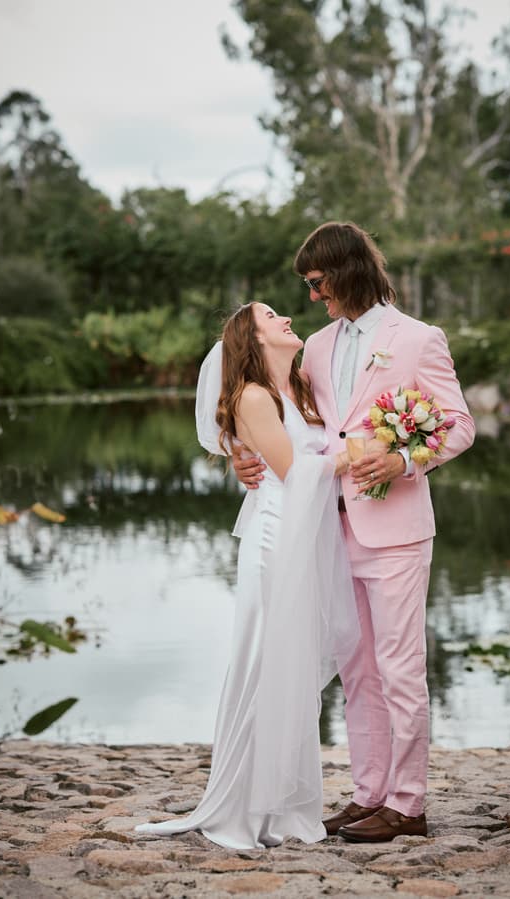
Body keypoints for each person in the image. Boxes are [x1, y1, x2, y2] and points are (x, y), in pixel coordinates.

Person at [234, 222, 475, 843]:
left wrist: (403, 461)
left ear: (346, 270)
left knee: (399, 669)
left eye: (317, 282)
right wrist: (244, 456)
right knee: (358, 670)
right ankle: (369, 795)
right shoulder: (313, 347)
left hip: (395, 531)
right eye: (307, 286)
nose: (313, 296)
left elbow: (458, 424)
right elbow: (288, 422)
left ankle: (409, 805)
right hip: (328, 534)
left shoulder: (418, 339)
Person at [135, 302, 360, 849]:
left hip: (305, 536)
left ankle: (281, 805)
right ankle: (241, 807)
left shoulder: (300, 389)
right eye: (272, 317)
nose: (286, 318)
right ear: (253, 340)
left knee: (293, 671)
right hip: (277, 540)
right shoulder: (254, 397)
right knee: (266, 665)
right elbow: (295, 471)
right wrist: (355, 455)